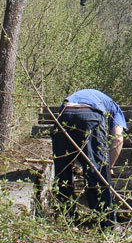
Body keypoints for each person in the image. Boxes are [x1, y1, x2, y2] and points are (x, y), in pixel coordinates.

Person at [51, 89, 127, 228]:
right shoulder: (115, 109)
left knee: (62, 173)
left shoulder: (81, 95)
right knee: (97, 174)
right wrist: (109, 167)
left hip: (64, 114)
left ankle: (64, 220)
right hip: (90, 116)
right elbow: (118, 139)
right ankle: (107, 224)